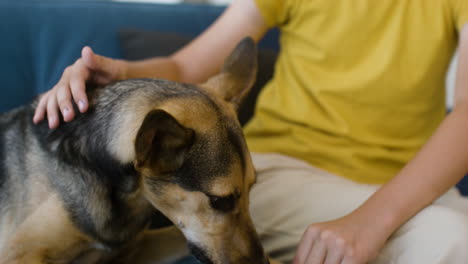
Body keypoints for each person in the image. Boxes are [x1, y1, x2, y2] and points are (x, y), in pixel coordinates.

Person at [33, 0, 468, 263]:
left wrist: (371, 221)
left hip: (409, 189)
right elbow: (186, 68)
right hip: (285, 173)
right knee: (453, 240)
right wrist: (118, 71)